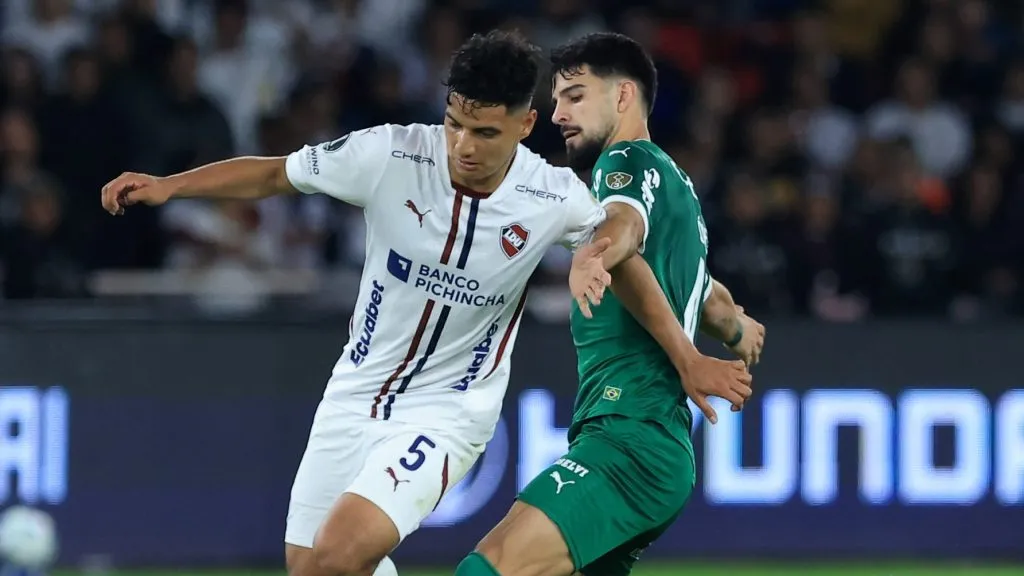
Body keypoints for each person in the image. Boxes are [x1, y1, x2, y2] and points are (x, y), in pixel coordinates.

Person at [99, 30, 753, 576]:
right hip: (355, 391)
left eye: (486, 133)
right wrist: (169, 186)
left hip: (447, 409)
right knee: (312, 569)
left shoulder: (554, 195)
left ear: (524, 126)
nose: (464, 148)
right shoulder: (388, 153)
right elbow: (276, 172)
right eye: (456, 124)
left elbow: (627, 250)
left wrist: (678, 346)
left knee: (343, 554)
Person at [455, 32, 766, 576]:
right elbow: (704, 295)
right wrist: (735, 326)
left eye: (574, 95)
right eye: (556, 99)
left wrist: (597, 252)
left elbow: (622, 229)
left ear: (623, 97)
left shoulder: (625, 161)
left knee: (488, 569)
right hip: (644, 442)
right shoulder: (679, 186)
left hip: (631, 438)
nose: (557, 114)